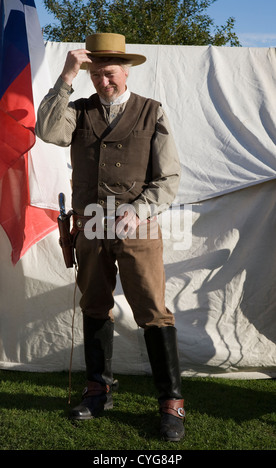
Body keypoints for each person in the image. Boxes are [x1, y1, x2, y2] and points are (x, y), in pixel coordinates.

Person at [35, 33, 185, 442]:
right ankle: (99, 390)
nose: (104, 82)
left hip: (138, 225)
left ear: (127, 70)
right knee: (95, 305)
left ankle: (171, 402)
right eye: (96, 74)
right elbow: (47, 130)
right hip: (89, 226)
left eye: (111, 73)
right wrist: (67, 75)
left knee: (152, 309)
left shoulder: (152, 111)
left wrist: (138, 211)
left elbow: (168, 177)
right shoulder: (76, 111)